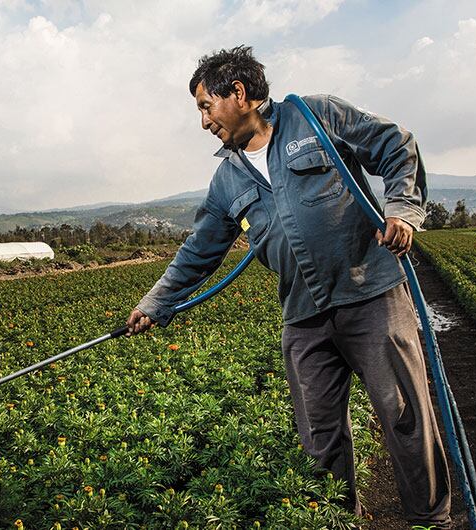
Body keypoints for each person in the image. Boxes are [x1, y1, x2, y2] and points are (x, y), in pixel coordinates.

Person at [124, 45, 452, 529]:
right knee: (319, 436)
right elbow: (198, 252)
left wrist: (402, 208)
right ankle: (339, 521)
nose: (202, 122)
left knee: (404, 415)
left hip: (370, 295)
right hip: (302, 314)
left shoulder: (315, 115)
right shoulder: (226, 179)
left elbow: (395, 143)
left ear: (238, 94)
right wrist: (157, 303)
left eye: (204, 106)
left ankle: (430, 520)